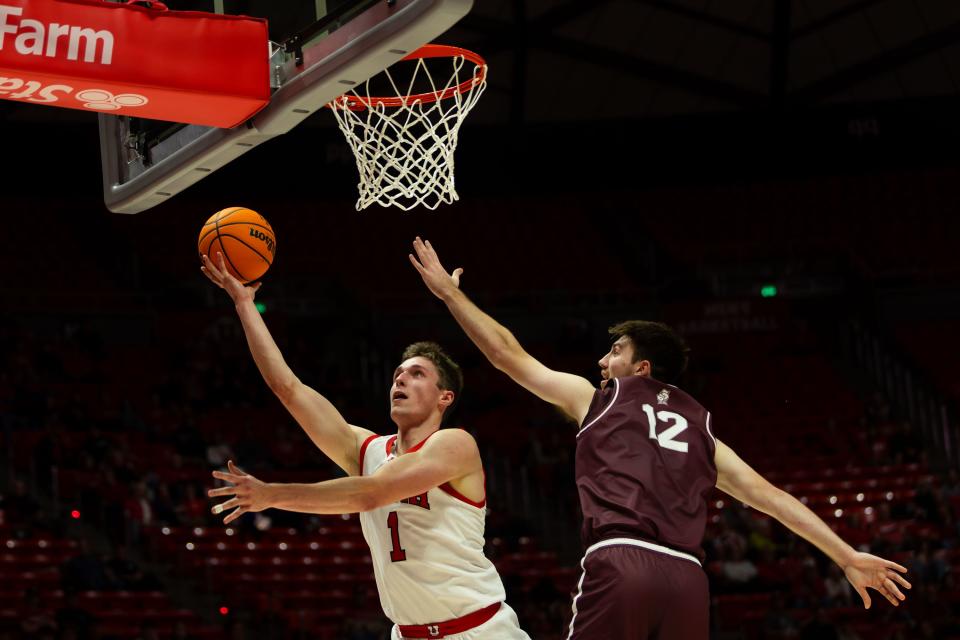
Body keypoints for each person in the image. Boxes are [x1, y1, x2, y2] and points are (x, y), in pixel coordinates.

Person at [408, 237, 911, 640]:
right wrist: (847, 555)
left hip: (623, 560)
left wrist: (451, 295)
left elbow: (507, 356)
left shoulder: (597, 397)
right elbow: (772, 499)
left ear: (641, 368)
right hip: (689, 581)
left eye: (615, 351)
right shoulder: (702, 427)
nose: (602, 362)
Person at [200, 253, 529, 640]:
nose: (400, 381)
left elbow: (373, 493)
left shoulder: (455, 445)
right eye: (397, 374)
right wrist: (244, 303)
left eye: (416, 374)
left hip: (479, 631)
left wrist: (273, 494)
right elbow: (287, 388)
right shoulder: (367, 448)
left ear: (445, 397)